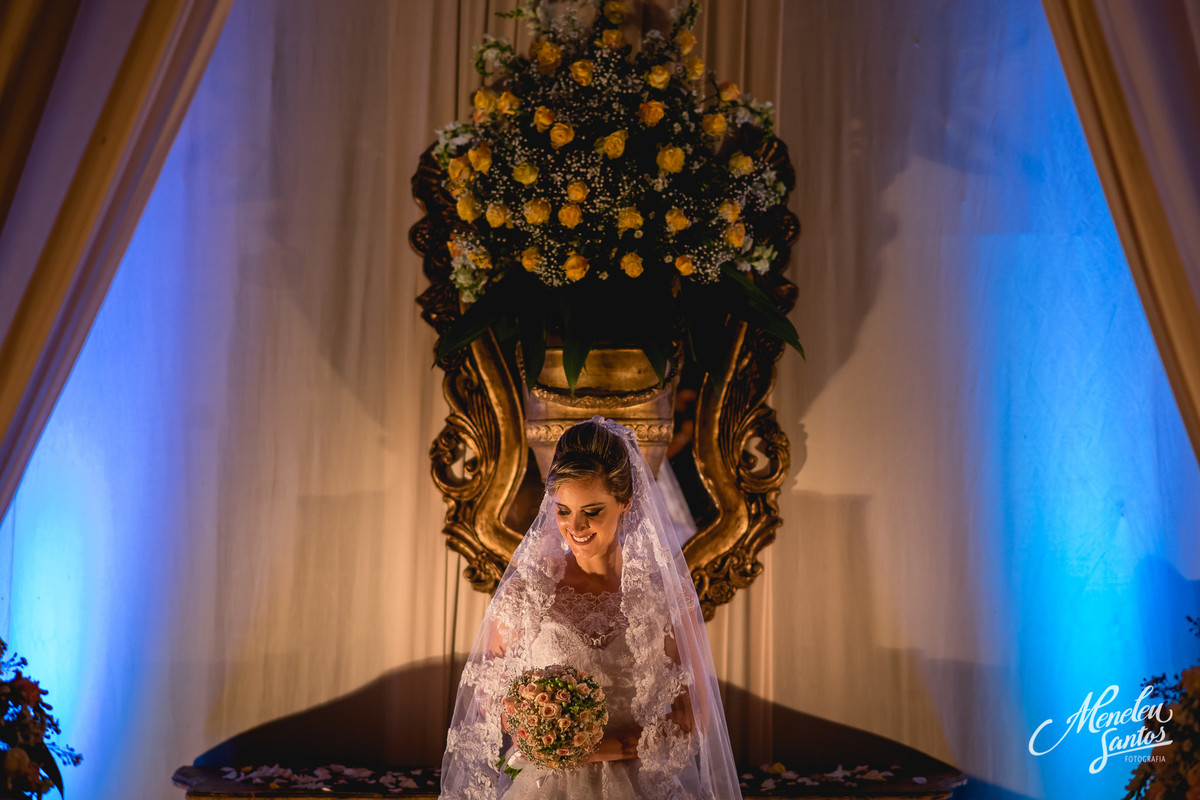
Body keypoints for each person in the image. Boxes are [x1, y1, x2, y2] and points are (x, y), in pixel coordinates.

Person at [440, 416, 741, 799]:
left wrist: (616, 746)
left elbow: (693, 715)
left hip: (640, 785)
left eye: (592, 510)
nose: (575, 526)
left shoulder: (665, 598)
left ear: (625, 503)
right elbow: (489, 701)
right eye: (563, 511)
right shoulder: (527, 593)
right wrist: (551, 738)